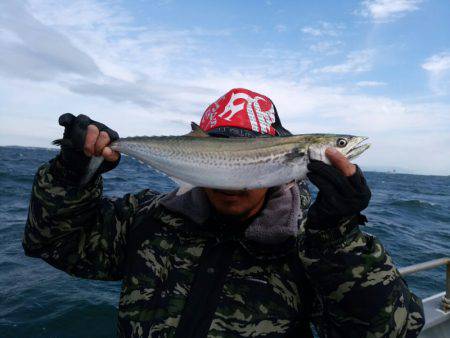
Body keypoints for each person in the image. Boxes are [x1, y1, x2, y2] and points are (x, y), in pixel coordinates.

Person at [23, 88, 424, 337]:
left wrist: (336, 237)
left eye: (248, 153)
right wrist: (70, 176)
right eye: (218, 151)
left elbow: (391, 331)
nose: (234, 181)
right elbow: (54, 242)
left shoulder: (310, 246)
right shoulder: (149, 218)